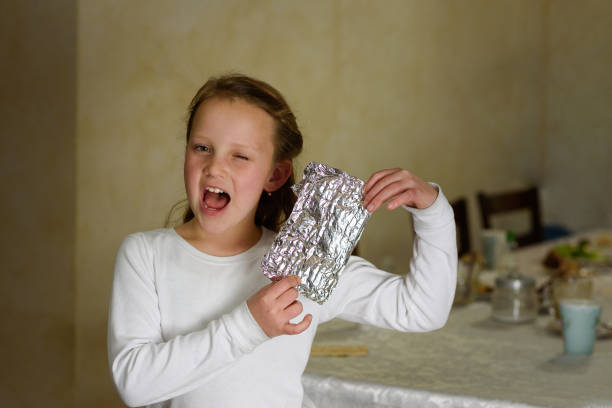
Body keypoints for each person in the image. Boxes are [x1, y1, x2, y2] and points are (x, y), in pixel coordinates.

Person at [108, 73, 457, 408]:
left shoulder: (307, 265)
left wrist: (433, 211)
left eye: (240, 156)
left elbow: (422, 310)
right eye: (202, 147)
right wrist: (249, 325)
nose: (214, 168)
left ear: (275, 175)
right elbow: (134, 383)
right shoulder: (145, 254)